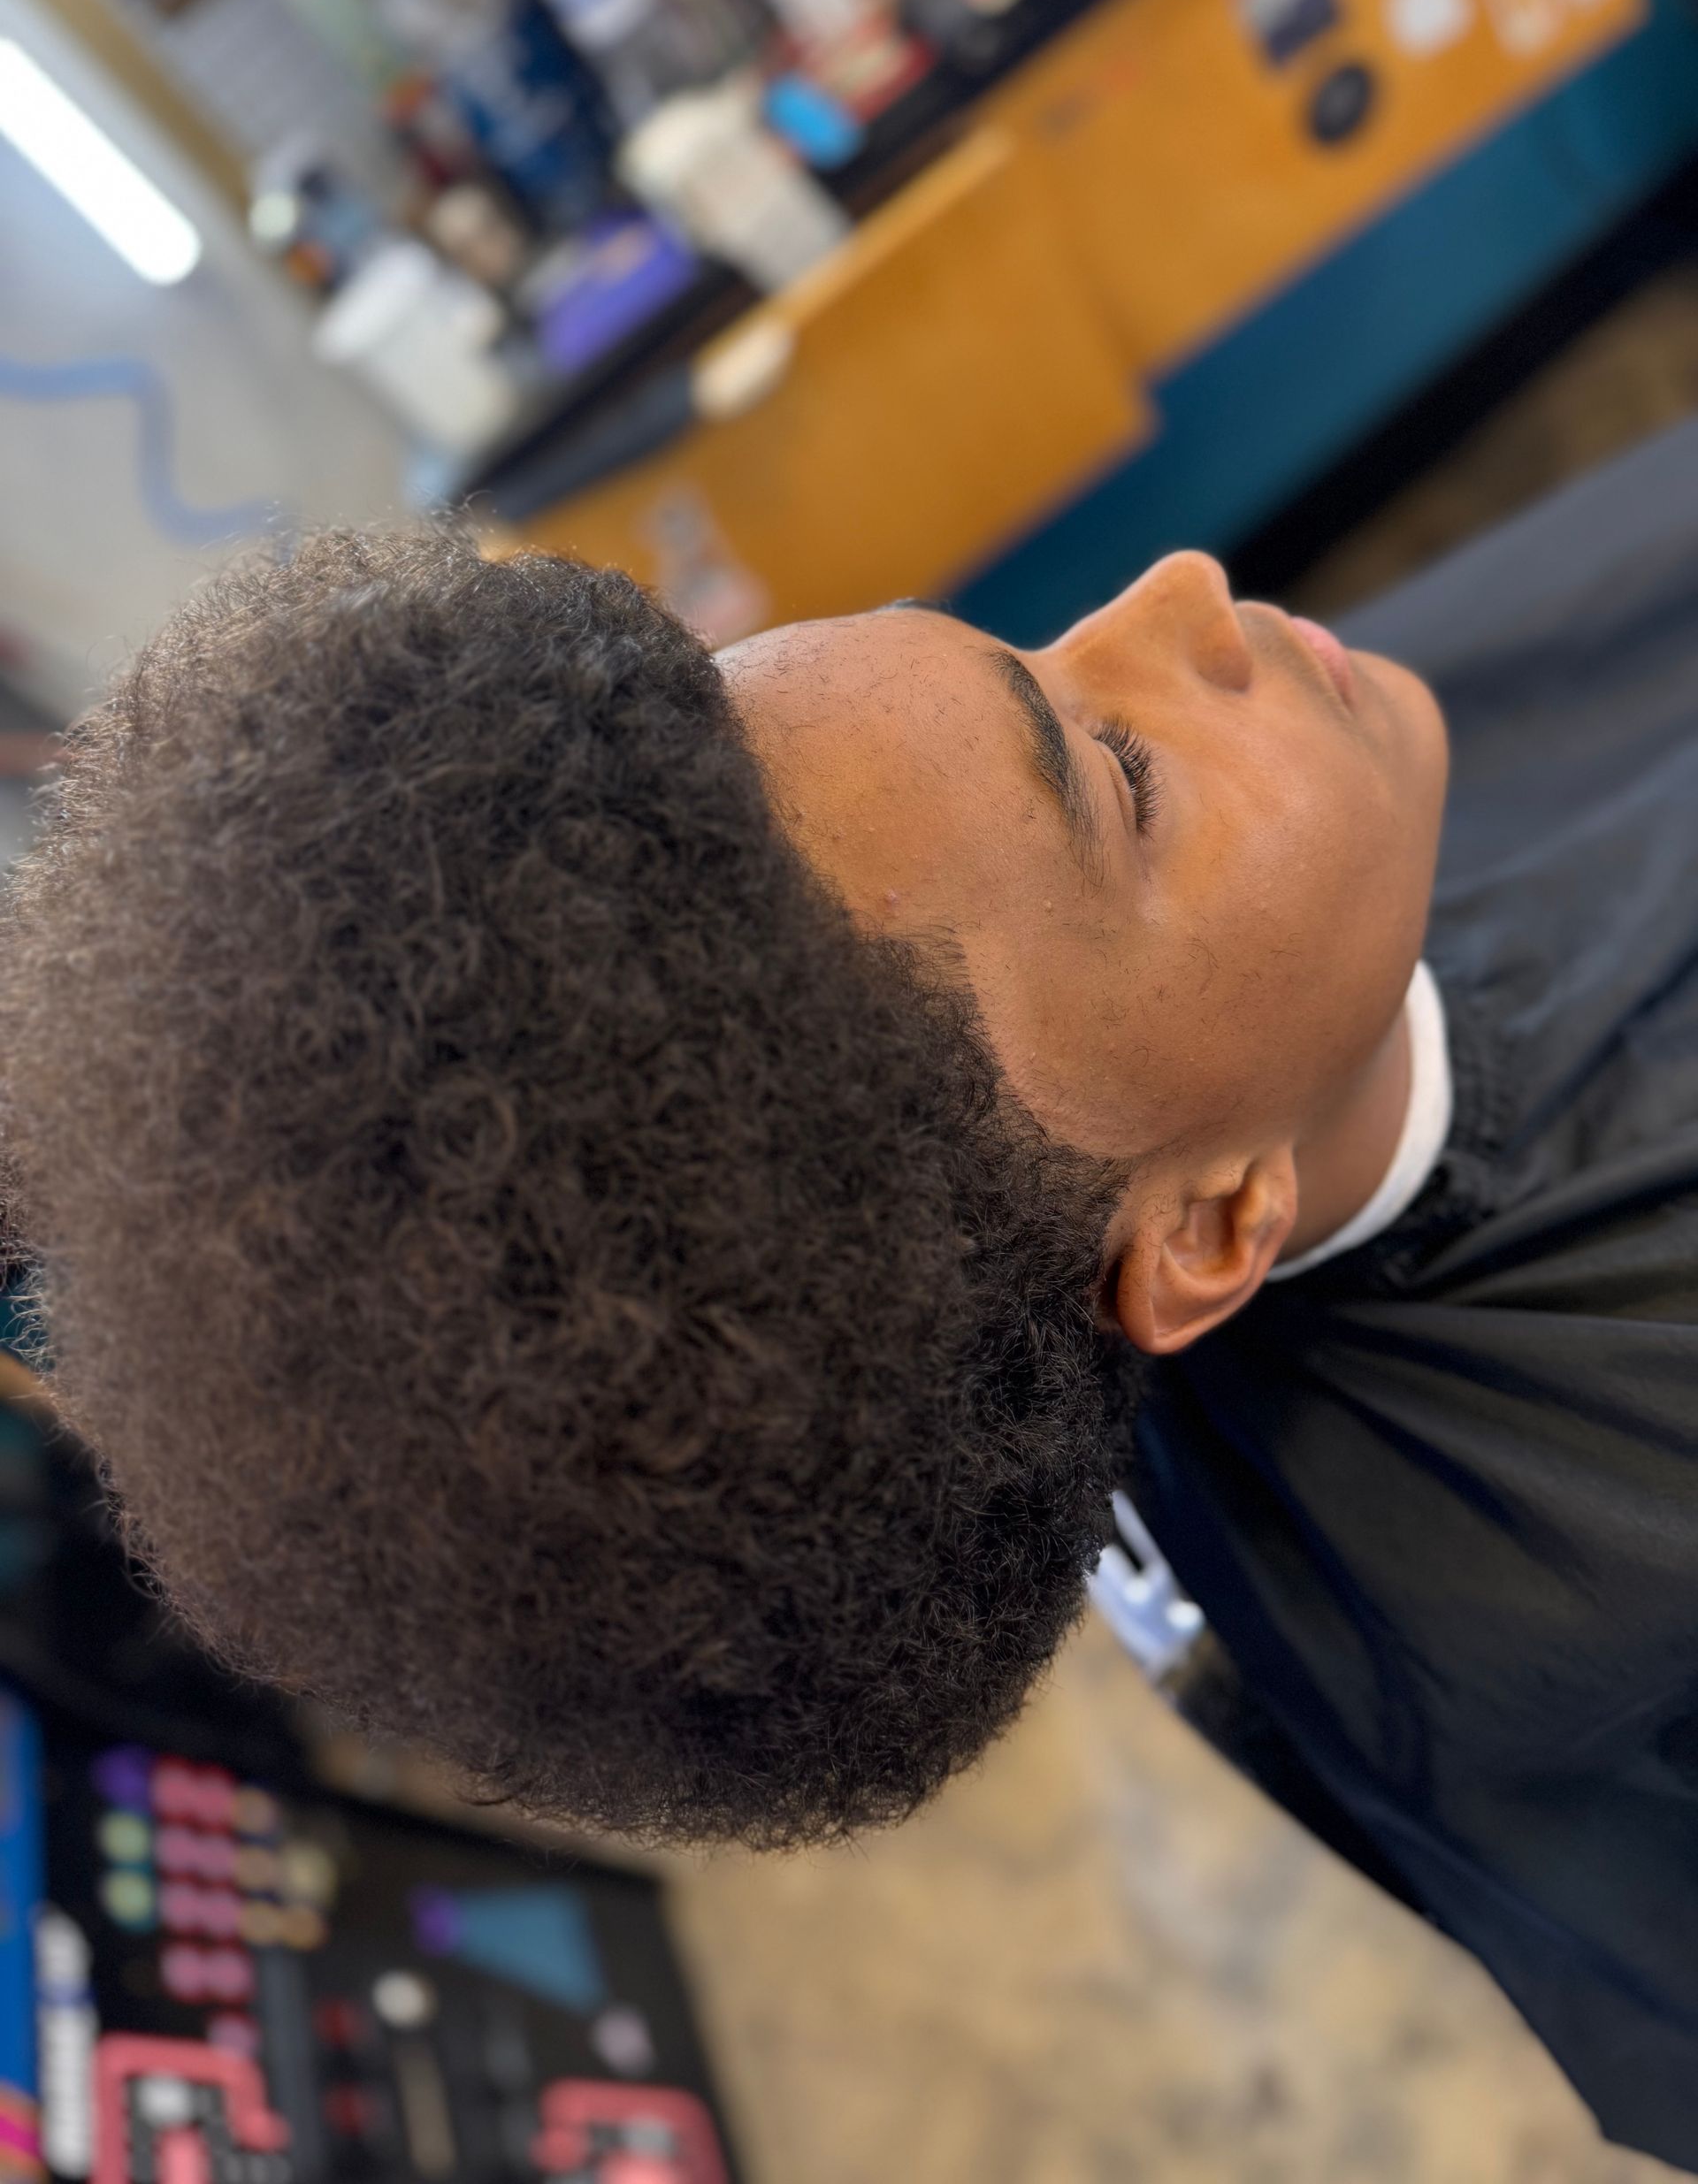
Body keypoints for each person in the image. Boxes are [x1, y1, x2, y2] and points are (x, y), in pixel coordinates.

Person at [3, 411, 1697, 2164]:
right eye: (1124, 775)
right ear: (1206, 1233)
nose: (1177, 592)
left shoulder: (1286, 908)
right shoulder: (1596, 1546)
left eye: (1029, 648)